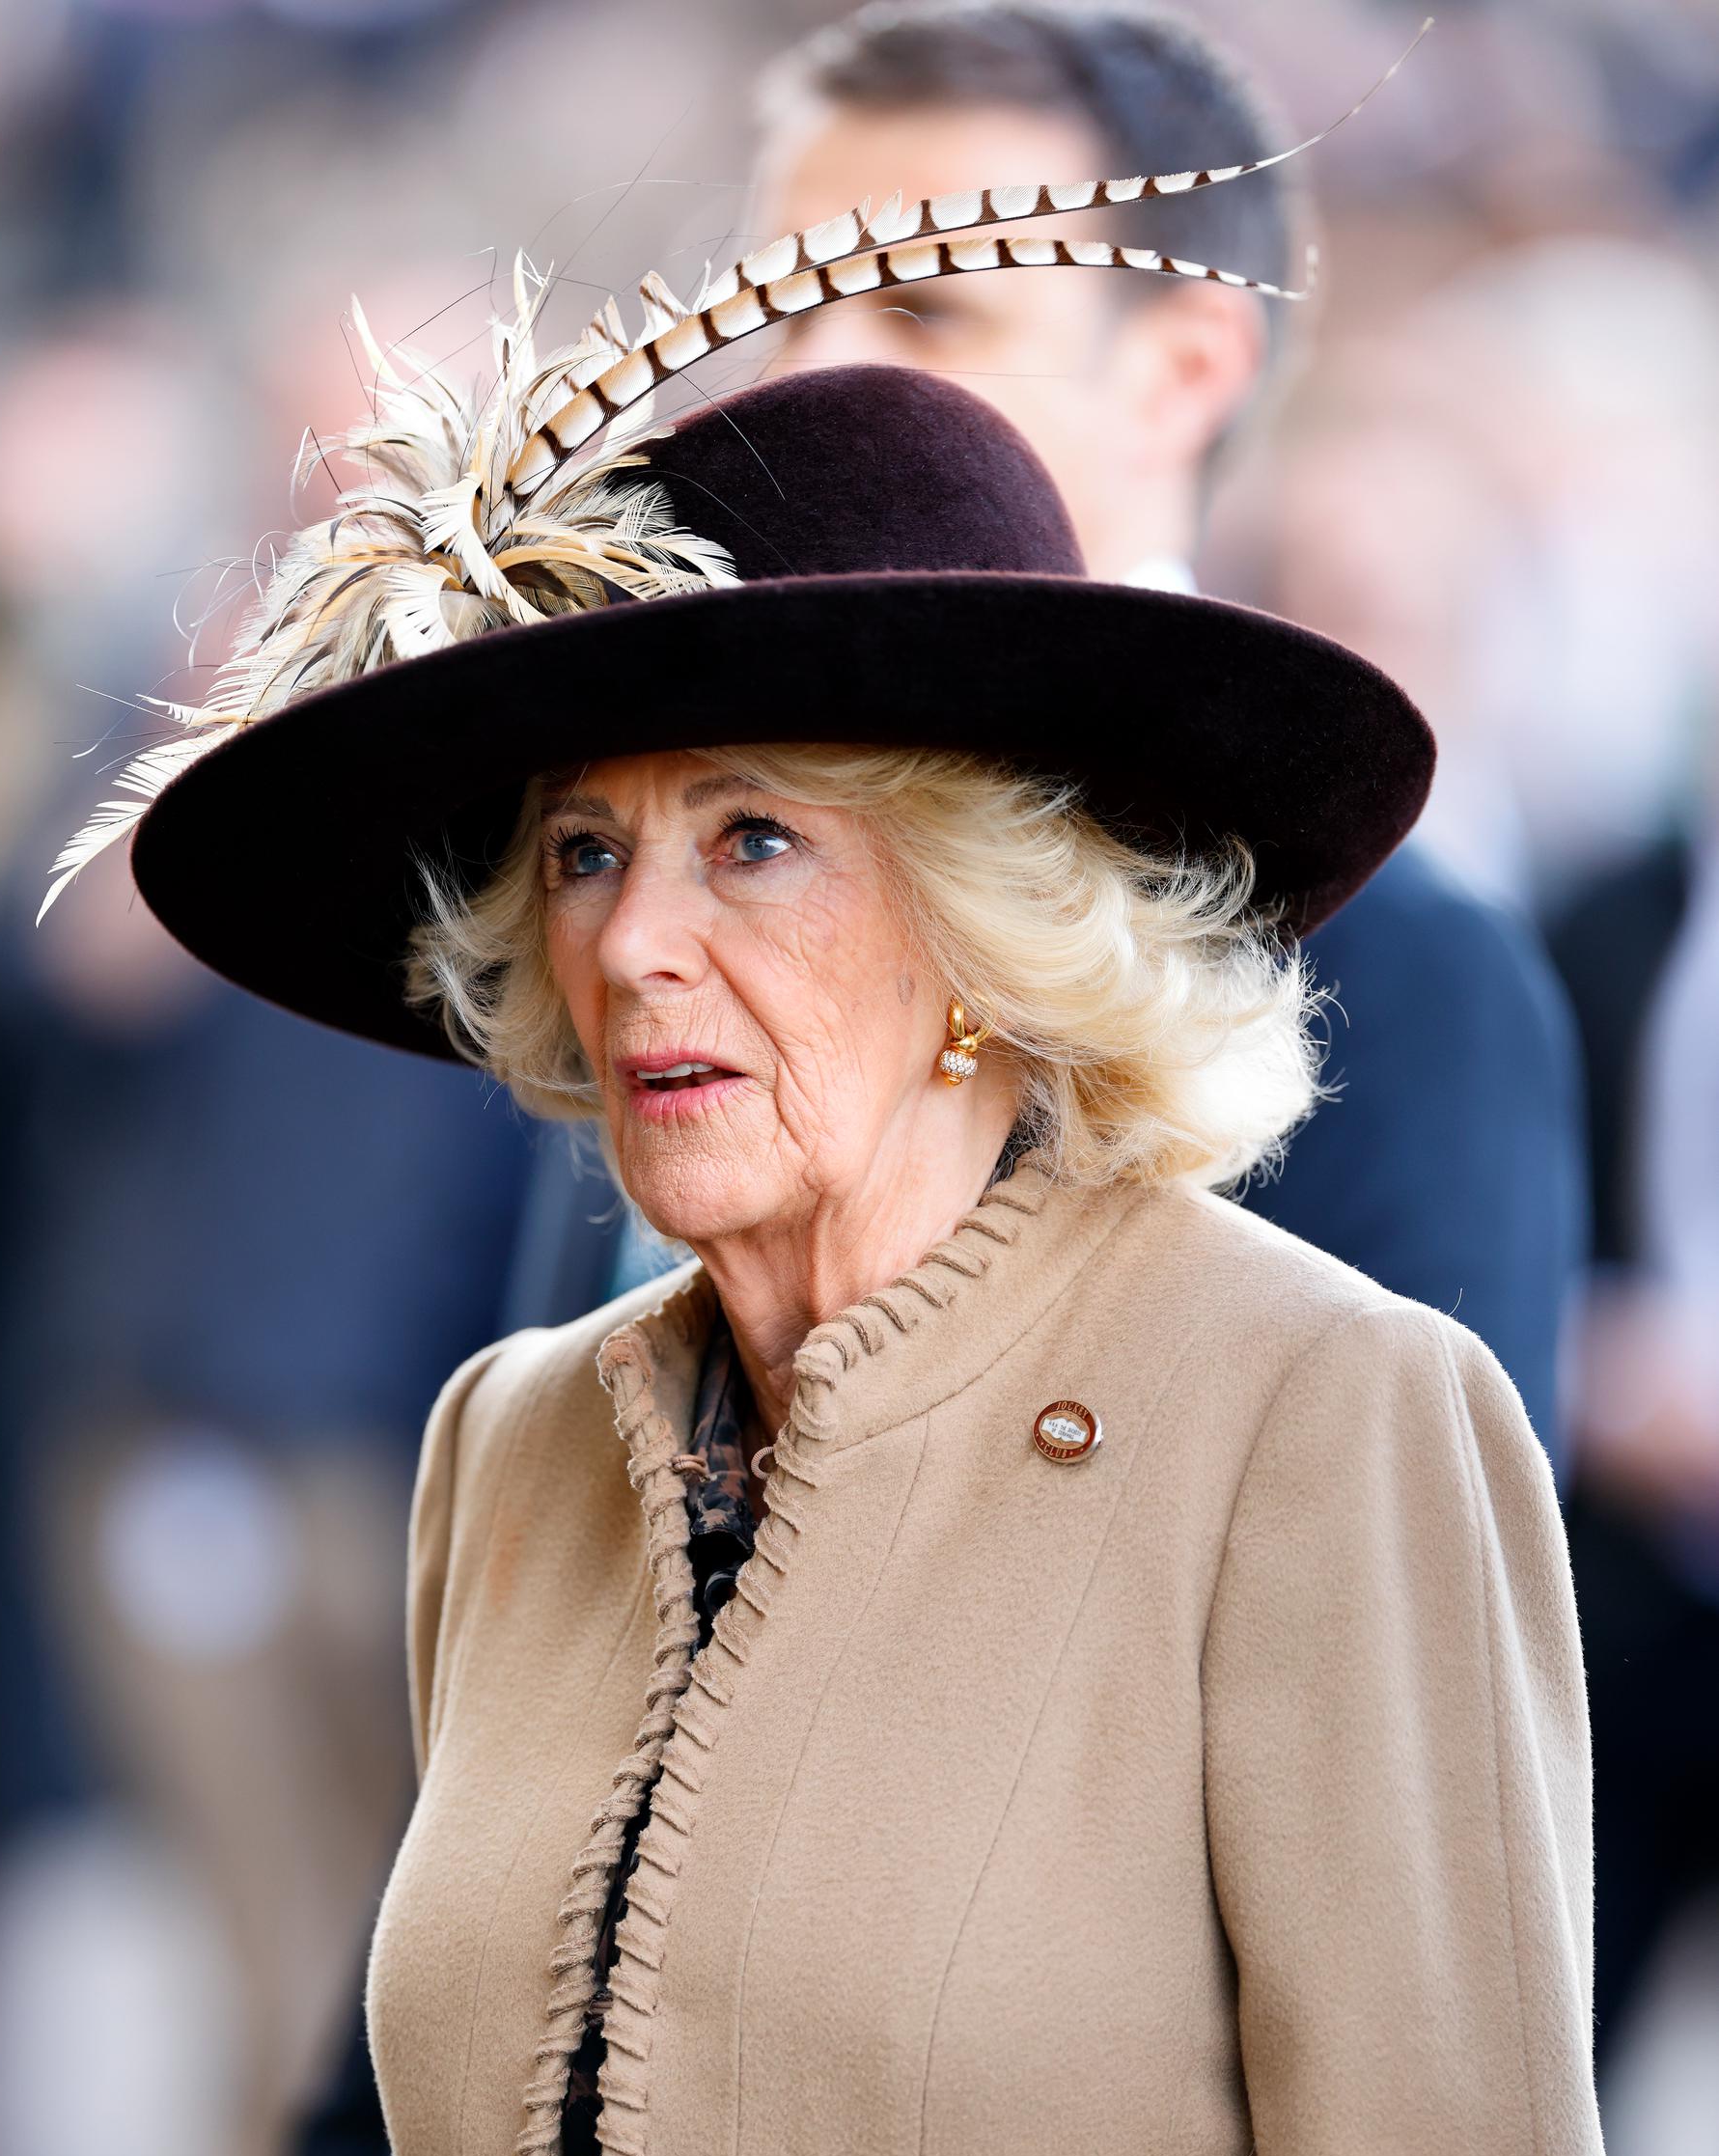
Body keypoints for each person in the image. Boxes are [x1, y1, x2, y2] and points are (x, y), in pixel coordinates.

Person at [45, 159, 1619, 2156]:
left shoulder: (1322, 1419)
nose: (634, 946)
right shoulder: (509, 1450)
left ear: (990, 926)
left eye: (754, 838)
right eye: (585, 853)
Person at [509, 0, 1584, 1472]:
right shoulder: (639, 864)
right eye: (773, 308)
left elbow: (1420, 1610)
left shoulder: (1400, 968)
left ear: (1183, 369)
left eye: (925, 306)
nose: (804, 373)